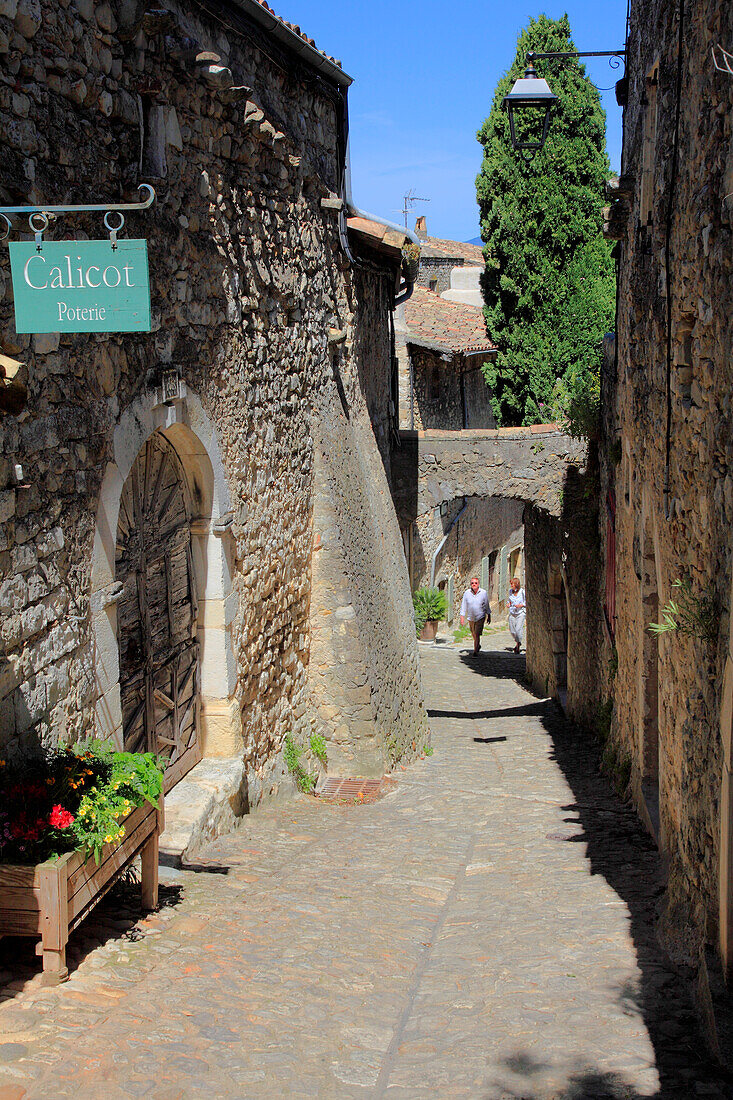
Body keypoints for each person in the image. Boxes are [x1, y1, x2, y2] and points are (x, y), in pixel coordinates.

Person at [460, 576, 490, 656]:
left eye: (475, 583)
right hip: (471, 617)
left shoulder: (483, 593)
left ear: (478, 584)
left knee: (477, 634)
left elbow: (486, 604)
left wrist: (489, 615)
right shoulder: (467, 593)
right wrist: (462, 617)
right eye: (472, 583)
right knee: (473, 633)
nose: (474, 584)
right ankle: (477, 645)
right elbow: (464, 605)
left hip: (480, 616)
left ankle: (475, 650)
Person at [507, 577, 526, 654]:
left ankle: (518, 645)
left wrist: (521, 605)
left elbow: (526, 602)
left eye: (512, 584)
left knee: (518, 629)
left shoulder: (522, 592)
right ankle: (518, 641)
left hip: (520, 613)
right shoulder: (510, 591)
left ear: (516, 584)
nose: (511, 585)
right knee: (512, 630)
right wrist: (508, 604)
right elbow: (509, 600)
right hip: (512, 612)